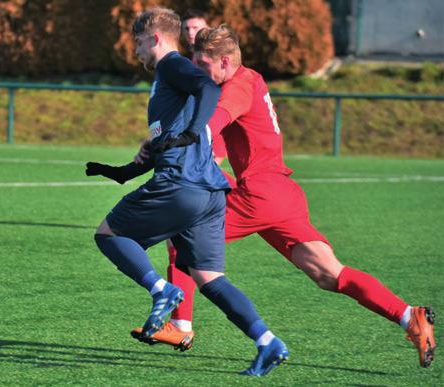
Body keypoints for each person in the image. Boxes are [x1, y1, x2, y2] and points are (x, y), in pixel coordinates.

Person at [134, 25, 436, 369]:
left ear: (225, 61)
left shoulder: (237, 87)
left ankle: (180, 325)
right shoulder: (250, 79)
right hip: (281, 195)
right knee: (328, 274)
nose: (196, 72)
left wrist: (174, 142)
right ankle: (409, 315)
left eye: (202, 65)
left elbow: (210, 125)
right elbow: (217, 141)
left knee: (181, 233)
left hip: (258, 195)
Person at [87, 8, 289, 377]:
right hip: (210, 193)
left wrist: (193, 132)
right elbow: (172, 134)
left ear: (154, 38)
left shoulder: (170, 65)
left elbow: (208, 87)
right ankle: (267, 342)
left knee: (108, 235)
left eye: (137, 43)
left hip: (181, 185)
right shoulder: (171, 77)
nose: (135, 52)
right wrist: (121, 171)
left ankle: (160, 289)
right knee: (209, 279)